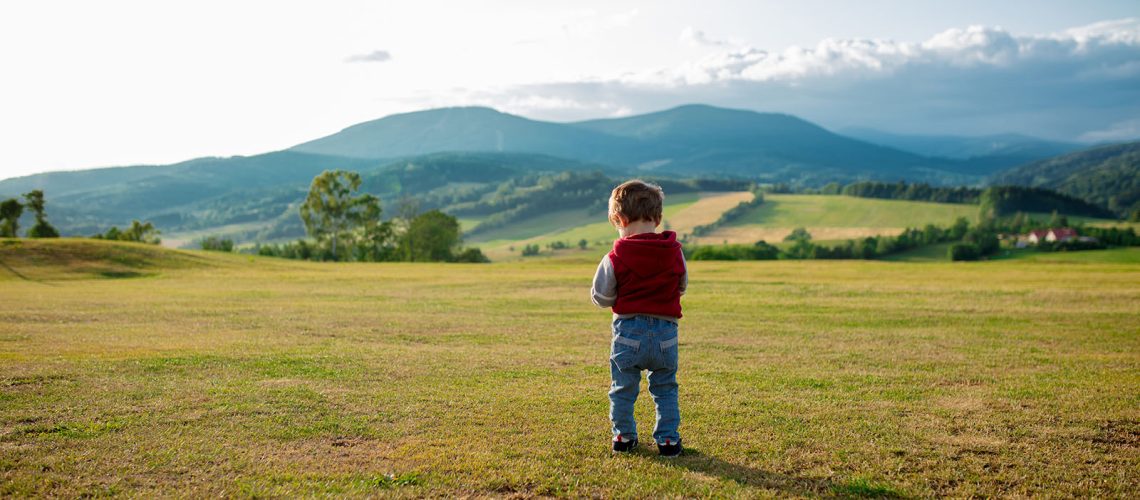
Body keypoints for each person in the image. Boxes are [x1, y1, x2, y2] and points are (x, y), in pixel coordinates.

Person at [590, 179, 687, 457]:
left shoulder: (615, 256)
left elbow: (601, 296)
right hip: (666, 334)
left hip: (628, 334)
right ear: (657, 218)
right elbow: (682, 284)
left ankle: (623, 437)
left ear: (619, 219)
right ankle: (668, 440)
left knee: (622, 388)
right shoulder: (674, 251)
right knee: (665, 387)